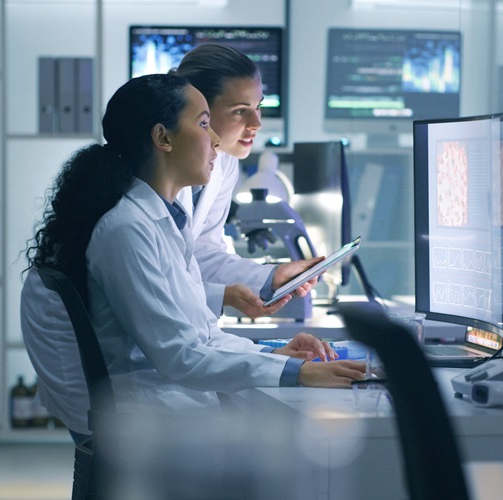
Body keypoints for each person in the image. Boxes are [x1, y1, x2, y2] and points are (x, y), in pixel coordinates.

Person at [21, 74, 365, 437]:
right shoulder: (126, 229)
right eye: (204, 124)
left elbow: (201, 334)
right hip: (154, 414)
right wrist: (297, 372)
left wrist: (275, 354)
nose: (216, 140)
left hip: (171, 401)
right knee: (312, 444)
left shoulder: (163, 220)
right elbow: (179, 355)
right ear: (163, 138)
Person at [171, 43, 320, 320]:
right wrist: (225, 297)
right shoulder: (150, 181)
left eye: (258, 107)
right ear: (198, 109)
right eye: (240, 111)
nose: (256, 123)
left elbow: (201, 253)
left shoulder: (225, 162)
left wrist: (271, 276)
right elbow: (162, 284)